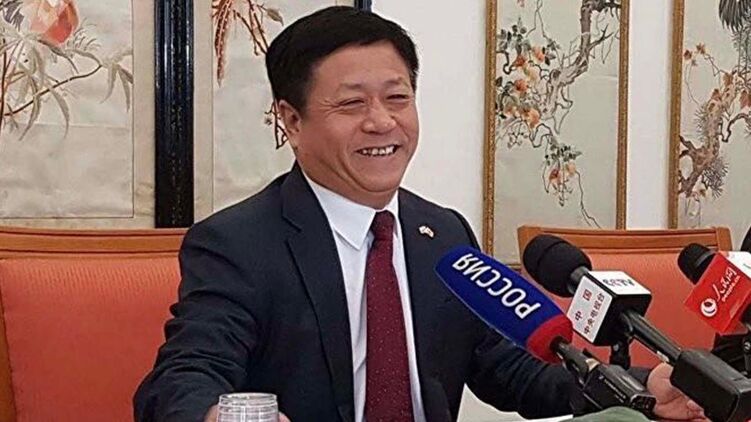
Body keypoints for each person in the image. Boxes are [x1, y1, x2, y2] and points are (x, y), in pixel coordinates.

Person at [134, 6, 707, 422]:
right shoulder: (238, 243)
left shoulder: (443, 233)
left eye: (398, 98)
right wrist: (212, 414)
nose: (382, 122)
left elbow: (513, 370)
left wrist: (641, 386)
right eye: (351, 103)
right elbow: (183, 377)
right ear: (291, 120)